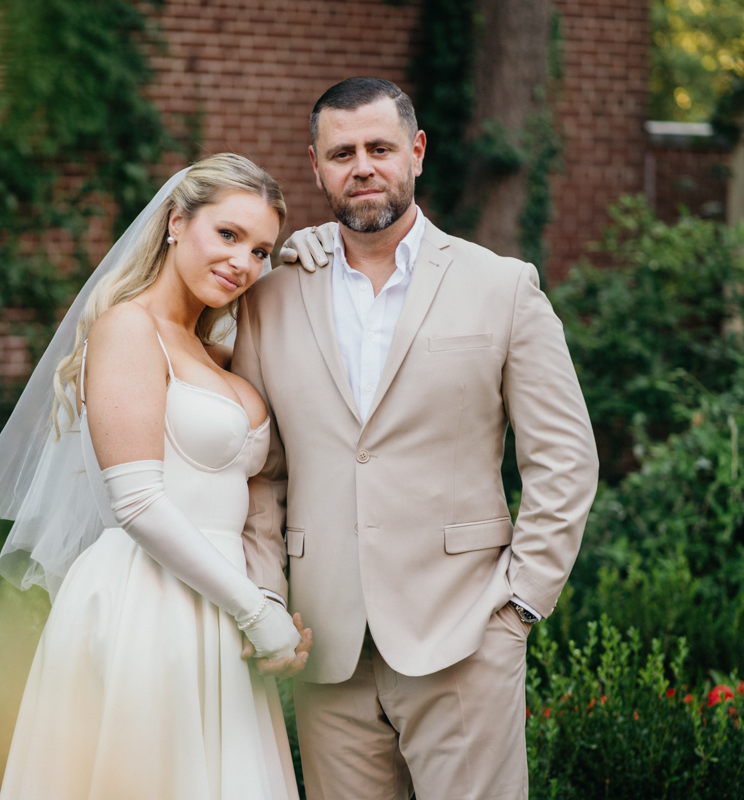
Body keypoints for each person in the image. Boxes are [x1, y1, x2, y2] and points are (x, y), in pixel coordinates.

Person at [231, 78, 599, 799]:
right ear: (316, 166)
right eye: (342, 152)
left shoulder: (503, 287)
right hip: (324, 645)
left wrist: (519, 605)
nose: (362, 166)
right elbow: (259, 472)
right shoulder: (270, 296)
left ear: (417, 152)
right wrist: (266, 599)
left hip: (464, 636)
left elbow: (563, 459)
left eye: (379, 148)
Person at [0, 154, 312, 800]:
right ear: (176, 222)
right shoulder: (127, 328)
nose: (244, 263)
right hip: (150, 603)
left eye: (262, 250)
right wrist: (255, 610)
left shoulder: (220, 355)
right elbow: (136, 500)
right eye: (228, 235)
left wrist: (264, 598)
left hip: (225, 608)